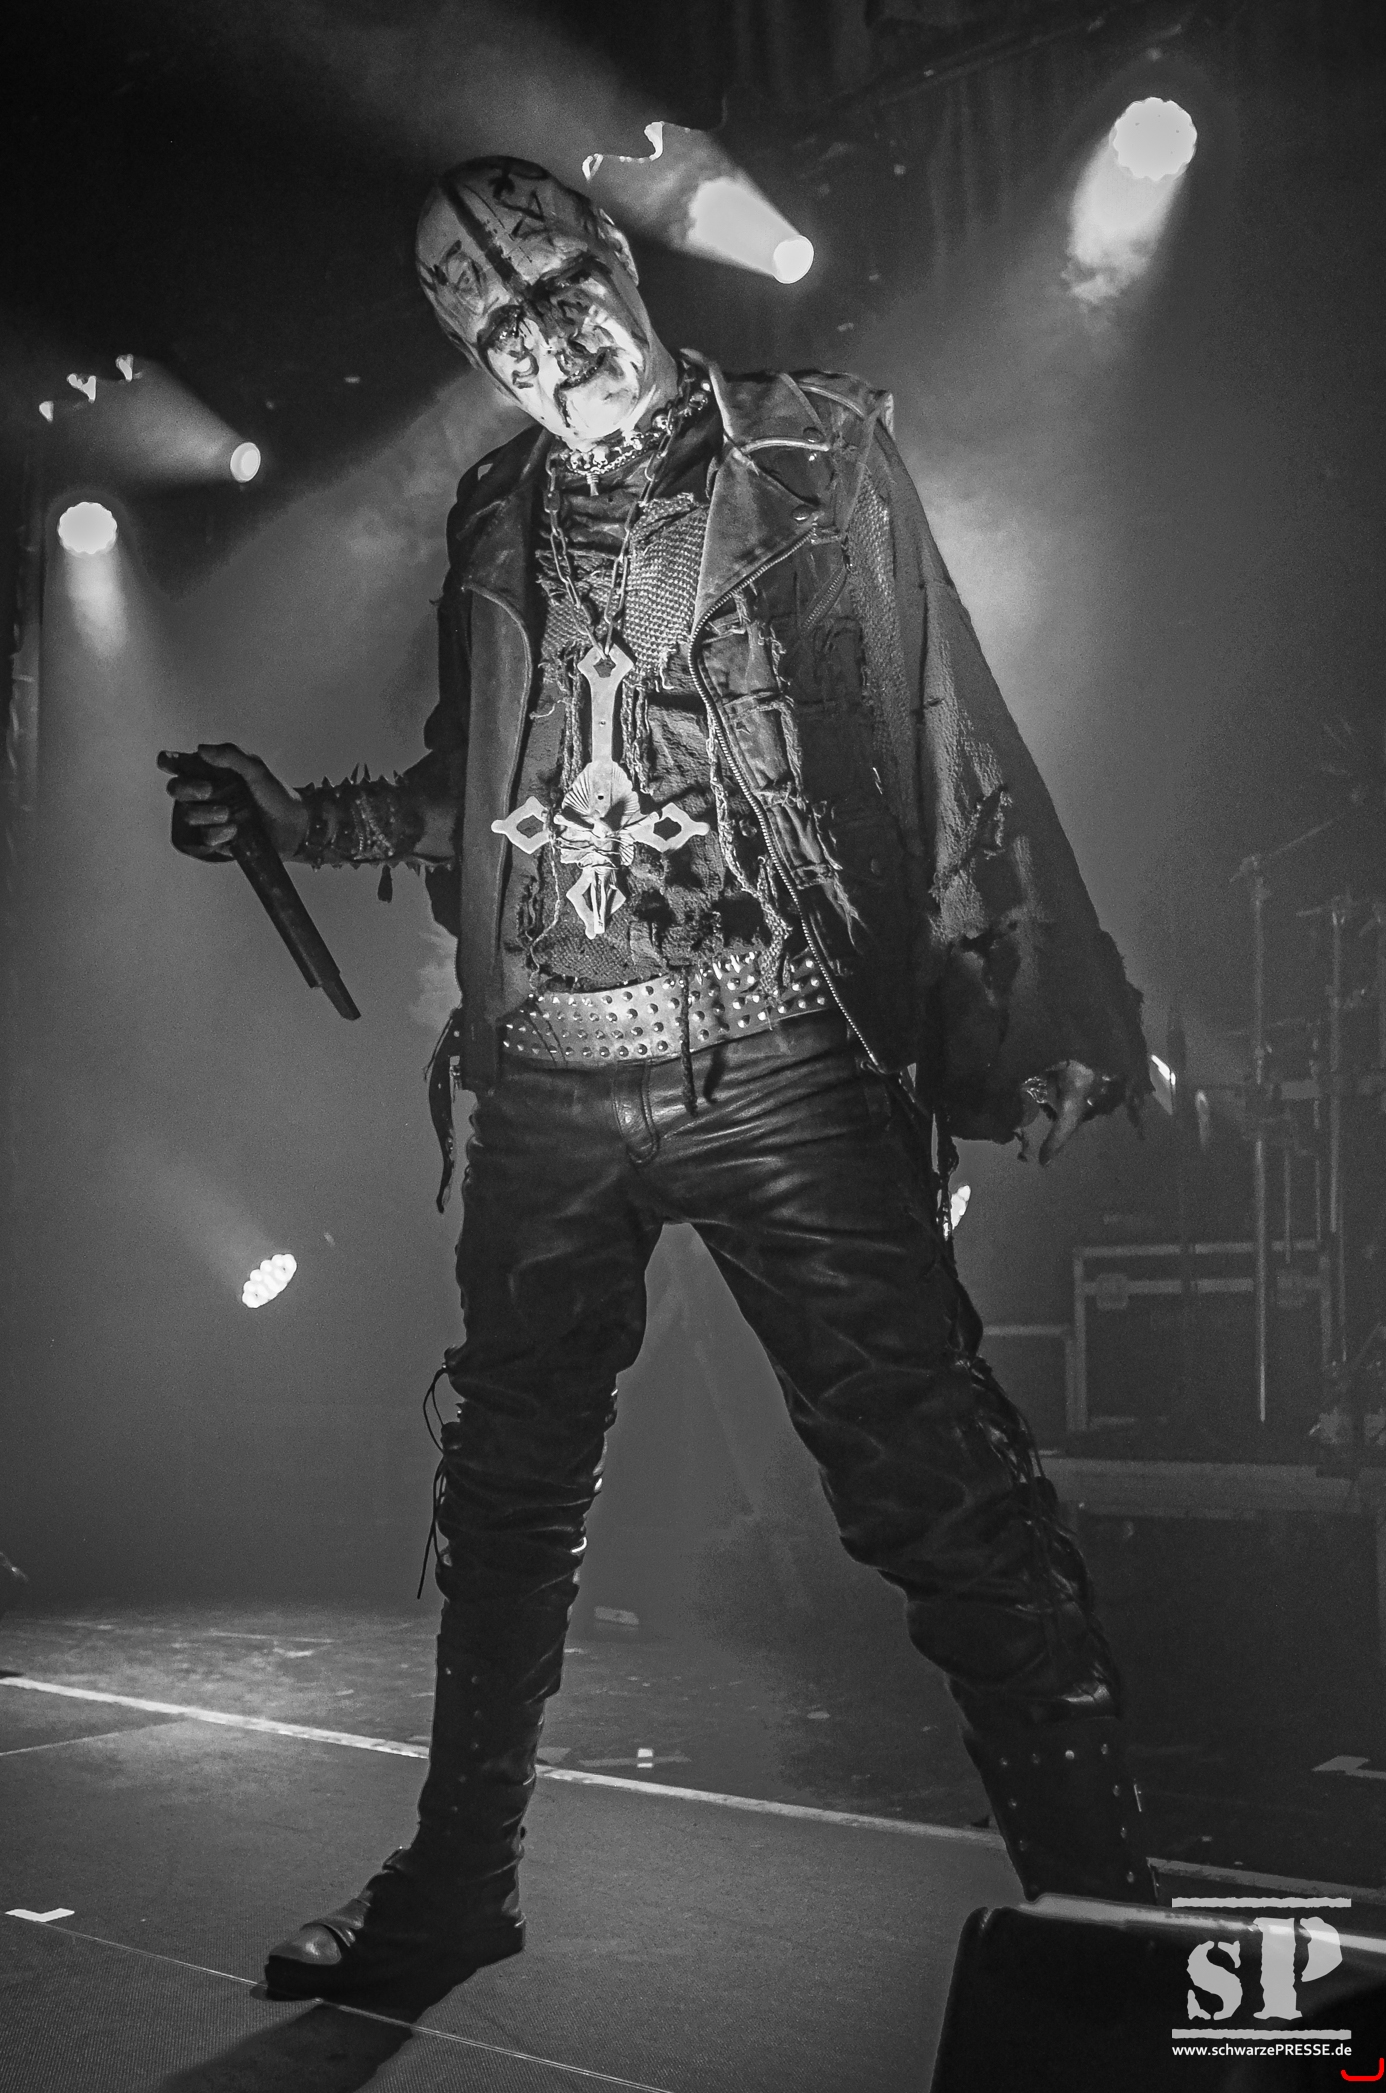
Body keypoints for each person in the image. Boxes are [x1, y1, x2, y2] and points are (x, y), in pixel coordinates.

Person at [164, 157, 1156, 2000]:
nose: (545, 347)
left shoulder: (810, 450)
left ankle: (1119, 1935)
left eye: (558, 292)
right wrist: (299, 821)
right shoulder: (494, 513)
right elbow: (475, 787)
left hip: (776, 1041)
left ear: (621, 263)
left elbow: (935, 719)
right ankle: (456, 1886)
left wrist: (981, 1003)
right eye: (498, 328)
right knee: (506, 1499)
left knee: (944, 1493)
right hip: (550, 1069)